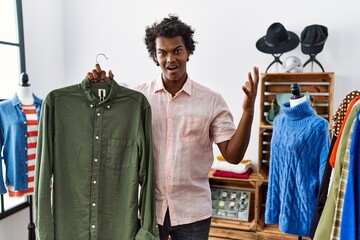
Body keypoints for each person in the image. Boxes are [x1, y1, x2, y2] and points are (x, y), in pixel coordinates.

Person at [89, 14, 259, 240]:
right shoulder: (139, 98)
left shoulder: (211, 101)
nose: (171, 58)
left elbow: (233, 156)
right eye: (163, 52)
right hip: (149, 210)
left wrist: (248, 111)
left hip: (194, 213)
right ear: (155, 55)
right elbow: (107, 133)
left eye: (177, 50)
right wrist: (99, 92)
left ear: (188, 51)